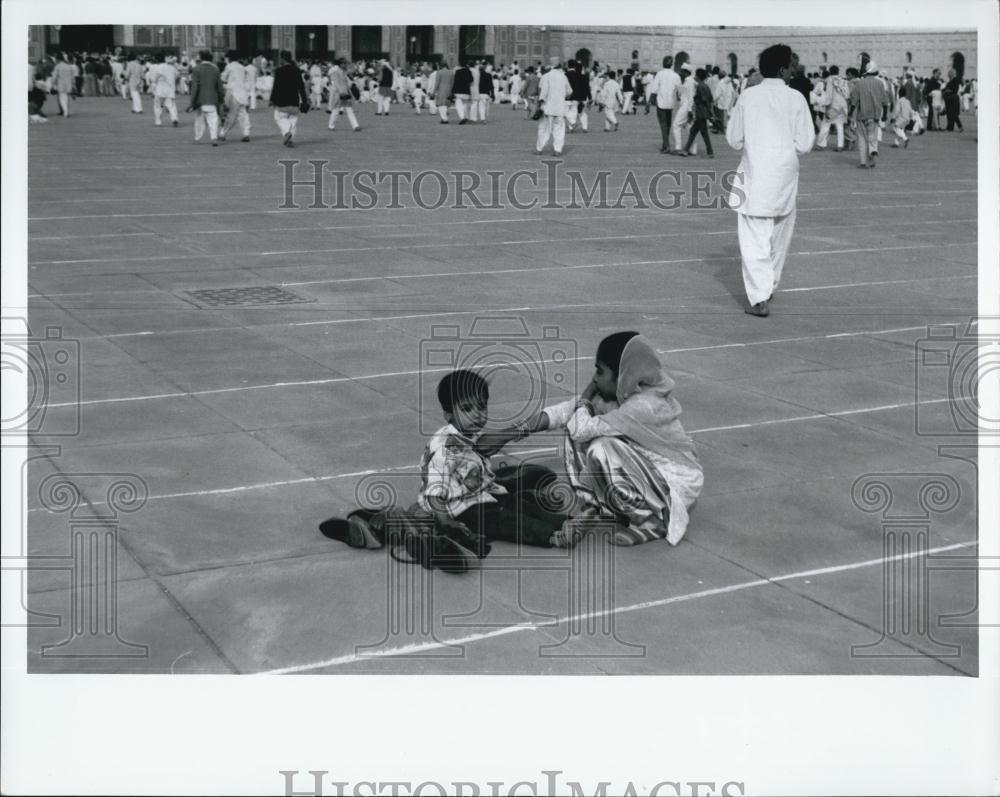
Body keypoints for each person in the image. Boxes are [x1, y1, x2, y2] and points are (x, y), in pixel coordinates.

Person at [479, 332, 704, 548]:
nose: (595, 379)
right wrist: (506, 434)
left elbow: (580, 424)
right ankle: (598, 505)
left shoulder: (644, 406)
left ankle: (653, 522)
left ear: (624, 376)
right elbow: (563, 413)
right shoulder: (622, 394)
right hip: (651, 471)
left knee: (600, 446)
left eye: (599, 372)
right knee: (580, 424)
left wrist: (587, 394)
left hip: (677, 482)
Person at [336, 370, 569, 572]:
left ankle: (564, 523)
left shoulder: (470, 434)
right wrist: (447, 520)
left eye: (481, 406)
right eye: (467, 408)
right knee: (505, 521)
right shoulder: (444, 448)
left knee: (517, 504)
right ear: (449, 414)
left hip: (479, 495)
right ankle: (553, 536)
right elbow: (434, 492)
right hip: (459, 508)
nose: (477, 414)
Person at [725, 43, 815, 318]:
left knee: (754, 238)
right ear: (781, 69)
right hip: (784, 175)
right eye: (790, 67)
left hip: (755, 173)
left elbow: (733, 139)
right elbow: (806, 143)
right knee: (779, 236)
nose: (793, 72)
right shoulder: (796, 98)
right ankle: (769, 286)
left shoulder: (748, 96)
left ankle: (759, 296)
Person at [849, 60, 889, 168]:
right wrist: (885, 115)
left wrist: (850, 113)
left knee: (861, 138)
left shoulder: (859, 83)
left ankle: (863, 162)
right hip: (875, 115)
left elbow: (854, 101)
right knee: (872, 136)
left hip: (862, 115)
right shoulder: (880, 83)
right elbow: (885, 102)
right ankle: (872, 152)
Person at [270, 49, 309, 147]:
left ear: (282, 59)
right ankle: (290, 139)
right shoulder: (296, 70)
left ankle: (287, 133)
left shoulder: (279, 71)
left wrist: (272, 99)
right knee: (293, 120)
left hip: (282, 101)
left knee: (278, 117)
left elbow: (276, 87)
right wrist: (305, 101)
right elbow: (301, 87)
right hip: (294, 101)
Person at [536, 56, 572, 156]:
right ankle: (557, 150)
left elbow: (543, 92)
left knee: (544, 129)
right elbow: (570, 92)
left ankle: (540, 148)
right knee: (559, 130)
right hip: (560, 108)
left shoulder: (546, 76)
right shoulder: (563, 76)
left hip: (548, 107)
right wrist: (561, 95)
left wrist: (540, 102)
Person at [188, 50, 224, 146]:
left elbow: (195, 87)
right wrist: (221, 100)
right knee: (213, 119)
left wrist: (192, 101)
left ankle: (197, 138)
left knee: (199, 120)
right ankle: (214, 138)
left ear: (201, 58)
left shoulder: (196, 69)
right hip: (213, 98)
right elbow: (219, 87)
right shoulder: (215, 69)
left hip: (200, 99)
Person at [649, 55, 681, 153]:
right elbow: (680, 91)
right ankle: (664, 144)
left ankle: (666, 145)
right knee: (668, 124)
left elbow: (654, 89)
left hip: (661, 102)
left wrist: (648, 104)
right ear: (671, 64)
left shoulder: (659, 74)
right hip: (671, 103)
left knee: (663, 124)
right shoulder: (676, 75)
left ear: (663, 63)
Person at [680, 68, 715, 157]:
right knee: (696, 132)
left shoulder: (700, 86)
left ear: (698, 77)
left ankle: (709, 152)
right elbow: (711, 99)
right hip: (704, 113)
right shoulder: (706, 86)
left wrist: (696, 100)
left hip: (700, 112)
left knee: (700, 133)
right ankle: (687, 150)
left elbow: (703, 99)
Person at [814, 65, 848, 151]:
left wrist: (826, 105)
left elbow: (829, 94)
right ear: (838, 71)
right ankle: (840, 145)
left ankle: (821, 144)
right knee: (840, 126)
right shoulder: (843, 80)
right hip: (842, 105)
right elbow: (847, 94)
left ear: (830, 71)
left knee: (825, 125)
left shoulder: (829, 80)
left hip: (833, 105)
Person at [220, 50, 251, 142]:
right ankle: (246, 133)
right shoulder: (242, 67)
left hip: (234, 93)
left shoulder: (229, 66)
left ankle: (223, 133)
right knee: (243, 114)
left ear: (229, 58)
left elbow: (222, 78)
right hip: (243, 94)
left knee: (231, 115)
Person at [327, 58, 360, 131]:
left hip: (345, 93)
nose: (345, 65)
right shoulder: (335, 72)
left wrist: (351, 94)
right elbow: (336, 83)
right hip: (339, 94)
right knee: (336, 110)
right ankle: (331, 125)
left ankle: (355, 126)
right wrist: (341, 92)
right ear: (340, 64)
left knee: (349, 110)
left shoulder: (344, 72)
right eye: (343, 63)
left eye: (345, 63)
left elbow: (347, 84)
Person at [149, 53, 179, 128]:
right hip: (170, 89)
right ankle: (174, 119)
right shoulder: (172, 68)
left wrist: (154, 83)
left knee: (158, 106)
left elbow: (154, 78)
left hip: (160, 88)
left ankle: (158, 121)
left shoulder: (157, 67)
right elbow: (177, 75)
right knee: (171, 105)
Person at [52, 52, 75, 118]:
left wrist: (52, 84)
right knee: (67, 98)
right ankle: (67, 111)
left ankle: (66, 112)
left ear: (58, 59)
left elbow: (54, 77)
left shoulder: (57, 66)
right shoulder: (69, 66)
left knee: (62, 99)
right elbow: (72, 77)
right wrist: (73, 85)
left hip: (61, 84)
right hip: (69, 84)